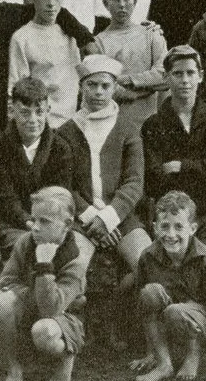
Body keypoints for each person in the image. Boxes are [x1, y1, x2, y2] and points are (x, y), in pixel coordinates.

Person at [145, 47, 206, 290]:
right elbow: (155, 178)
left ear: (201, 76)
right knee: (157, 274)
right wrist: (203, 164)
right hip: (170, 218)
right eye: (177, 74)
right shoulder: (154, 125)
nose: (185, 80)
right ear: (166, 78)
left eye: (190, 73)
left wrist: (181, 166)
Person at [0, 186, 93, 381]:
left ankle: (67, 356)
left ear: (67, 225)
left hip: (64, 318)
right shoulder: (26, 242)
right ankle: (14, 370)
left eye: (44, 222)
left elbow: (51, 309)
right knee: (2, 301)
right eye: (34, 219)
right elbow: (5, 282)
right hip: (35, 305)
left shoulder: (75, 258)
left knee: (44, 332)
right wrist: (31, 293)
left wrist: (45, 266)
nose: (35, 228)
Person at [130, 191, 206, 381]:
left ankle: (194, 352)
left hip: (200, 321)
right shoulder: (148, 256)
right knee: (149, 293)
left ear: (192, 228)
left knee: (175, 311)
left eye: (179, 227)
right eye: (165, 226)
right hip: (169, 318)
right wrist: (151, 353)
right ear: (155, 228)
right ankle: (163, 363)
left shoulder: (205, 258)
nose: (171, 235)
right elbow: (146, 308)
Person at [64, 56, 151, 272]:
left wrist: (108, 218)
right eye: (91, 85)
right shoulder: (65, 132)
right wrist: (94, 219)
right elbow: (64, 185)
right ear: (80, 86)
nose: (98, 92)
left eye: (105, 86)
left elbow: (134, 182)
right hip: (80, 219)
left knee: (149, 266)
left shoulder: (128, 130)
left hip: (121, 216)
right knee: (73, 268)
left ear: (114, 89)